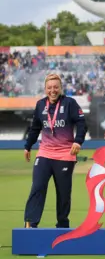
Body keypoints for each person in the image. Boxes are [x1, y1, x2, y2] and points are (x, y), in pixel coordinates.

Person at [23, 73, 87, 228]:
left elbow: (81, 123)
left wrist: (78, 141)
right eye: (50, 87)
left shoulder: (70, 103)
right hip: (44, 153)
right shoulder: (40, 105)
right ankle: (30, 225)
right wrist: (28, 145)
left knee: (63, 194)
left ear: (60, 88)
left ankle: (62, 226)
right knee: (37, 187)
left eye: (56, 87)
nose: (53, 90)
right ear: (45, 89)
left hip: (65, 155)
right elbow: (35, 128)